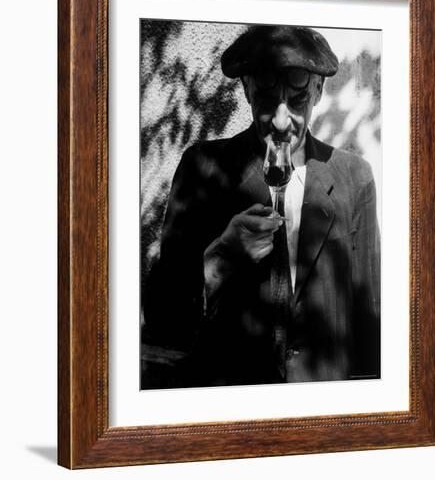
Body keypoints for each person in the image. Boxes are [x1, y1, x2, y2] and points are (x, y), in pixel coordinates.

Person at [142, 25, 380, 388]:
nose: (282, 121)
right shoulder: (203, 168)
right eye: (267, 100)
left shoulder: (354, 177)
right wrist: (221, 257)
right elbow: (164, 319)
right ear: (246, 90)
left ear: (318, 90)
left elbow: (368, 318)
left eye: (297, 100)